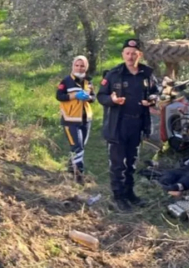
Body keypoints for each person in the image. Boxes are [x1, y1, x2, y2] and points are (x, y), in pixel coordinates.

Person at [97, 38, 158, 212]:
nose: (130, 57)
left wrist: (153, 99)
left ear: (140, 55)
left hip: (137, 123)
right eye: (127, 53)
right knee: (118, 164)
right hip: (118, 124)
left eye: (134, 54)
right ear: (123, 54)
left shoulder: (146, 74)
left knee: (131, 162)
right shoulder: (114, 74)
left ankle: (129, 193)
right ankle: (119, 197)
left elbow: (155, 92)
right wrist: (112, 100)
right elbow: (101, 96)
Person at [56, 55, 96, 184]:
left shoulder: (88, 82)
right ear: (73, 66)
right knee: (77, 147)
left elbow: (94, 98)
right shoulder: (66, 81)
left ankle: (70, 170)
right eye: (77, 65)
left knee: (80, 147)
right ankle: (79, 176)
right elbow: (59, 96)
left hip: (85, 119)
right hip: (70, 119)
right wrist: (74, 95)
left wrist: (88, 97)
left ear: (86, 67)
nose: (79, 68)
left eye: (82, 66)